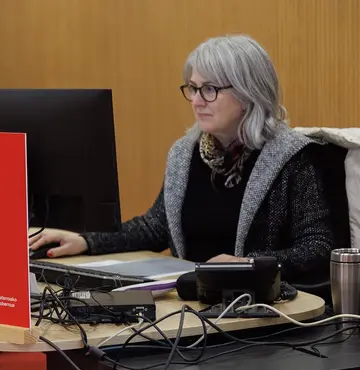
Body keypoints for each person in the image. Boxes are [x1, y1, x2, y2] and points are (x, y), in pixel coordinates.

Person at [30, 35, 335, 284]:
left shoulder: (292, 158)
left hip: (262, 311)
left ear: (248, 94)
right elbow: (155, 227)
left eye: (210, 89)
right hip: (195, 304)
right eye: (192, 88)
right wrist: (85, 240)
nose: (197, 100)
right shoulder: (185, 153)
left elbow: (318, 249)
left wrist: (249, 265)